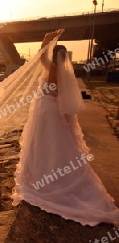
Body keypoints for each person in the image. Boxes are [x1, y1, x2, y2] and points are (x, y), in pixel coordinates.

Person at [11, 30, 119, 226]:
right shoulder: (64, 74)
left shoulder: (49, 67)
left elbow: (41, 53)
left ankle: (41, 180)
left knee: (41, 146)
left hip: (44, 112)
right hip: (53, 112)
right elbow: (63, 99)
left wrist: (48, 37)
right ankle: (54, 178)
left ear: (53, 55)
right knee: (57, 147)